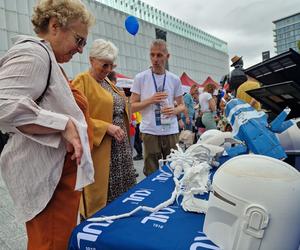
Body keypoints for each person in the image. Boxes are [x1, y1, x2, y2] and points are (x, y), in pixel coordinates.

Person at [0, 0, 95, 249]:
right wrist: (62, 124)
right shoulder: (34, 54)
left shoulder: (48, 58)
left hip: (58, 182)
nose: (81, 49)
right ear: (55, 26)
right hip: (50, 187)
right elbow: (3, 103)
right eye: (79, 40)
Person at [72, 39, 136, 218]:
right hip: (101, 153)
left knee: (120, 200)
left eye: (111, 65)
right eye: (104, 65)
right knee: (101, 202)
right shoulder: (81, 81)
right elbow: (74, 117)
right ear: (92, 60)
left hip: (119, 153)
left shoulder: (107, 81)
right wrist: (104, 127)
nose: (108, 69)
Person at [131, 39, 185, 176]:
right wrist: (150, 100)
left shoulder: (174, 79)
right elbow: (131, 107)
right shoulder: (140, 78)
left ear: (167, 56)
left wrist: (175, 110)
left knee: (175, 169)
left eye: (159, 55)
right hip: (150, 132)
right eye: (152, 55)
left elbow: (182, 105)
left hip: (171, 130)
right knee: (152, 172)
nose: (155, 59)